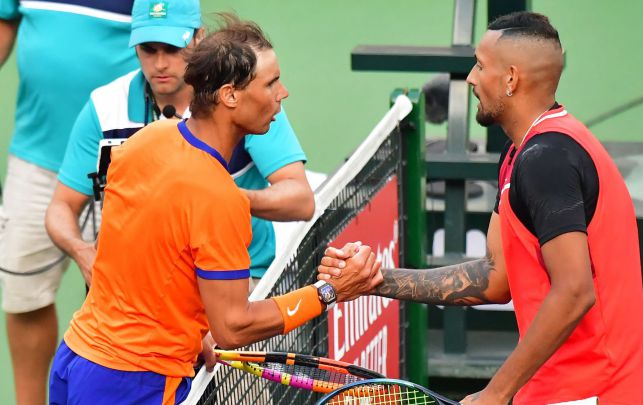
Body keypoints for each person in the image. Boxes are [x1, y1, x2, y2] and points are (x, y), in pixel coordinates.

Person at [320, 11, 643, 405]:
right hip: (557, 391)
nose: (471, 78)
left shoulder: (548, 159)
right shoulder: (520, 153)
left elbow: (575, 291)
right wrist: (376, 281)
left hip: (593, 393)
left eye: (480, 65)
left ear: (511, 78)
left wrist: (496, 393)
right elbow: (496, 279)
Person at [47, 16, 382, 404]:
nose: (283, 93)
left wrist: (189, 327)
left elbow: (140, 259)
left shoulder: (146, 141)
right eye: (271, 83)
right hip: (132, 383)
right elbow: (234, 328)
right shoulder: (219, 197)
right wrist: (329, 291)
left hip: (75, 358)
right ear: (230, 95)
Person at [46, 0, 313, 289]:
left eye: (173, 49)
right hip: (143, 285)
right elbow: (61, 205)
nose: (160, 63)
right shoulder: (105, 107)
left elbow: (300, 199)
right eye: (148, 49)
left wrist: (222, 197)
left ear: (199, 37)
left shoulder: (241, 98)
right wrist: (82, 251)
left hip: (237, 275)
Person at [0, 1, 137, 403]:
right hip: (35, 156)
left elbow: (174, 47)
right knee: (23, 294)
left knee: (118, 302)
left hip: (122, 161)